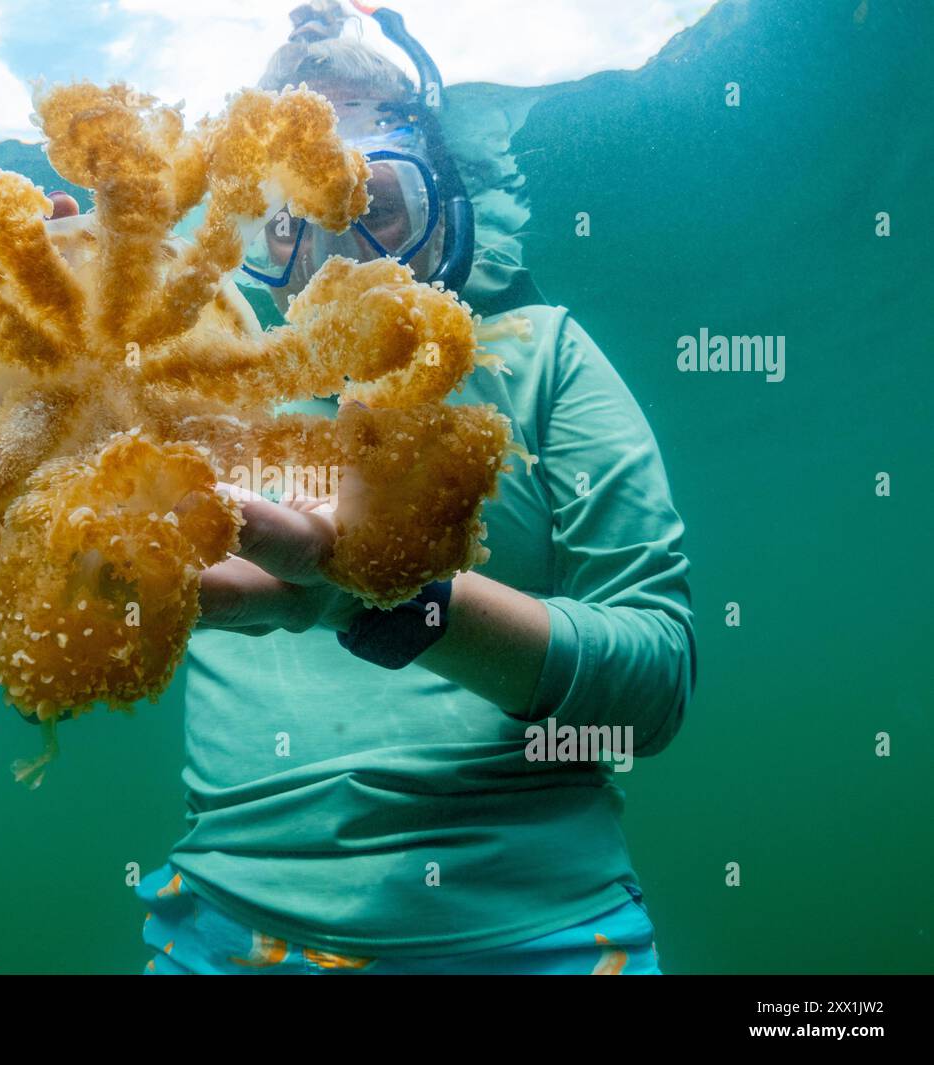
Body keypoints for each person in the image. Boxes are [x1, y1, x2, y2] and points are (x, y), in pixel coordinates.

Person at [134, 2, 696, 975]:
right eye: (288, 221)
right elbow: (43, 615)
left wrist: (412, 601)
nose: (334, 255)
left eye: (375, 207)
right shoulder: (192, 393)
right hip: (218, 939)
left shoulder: (542, 361)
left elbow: (653, 693)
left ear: (448, 214)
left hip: (545, 937)